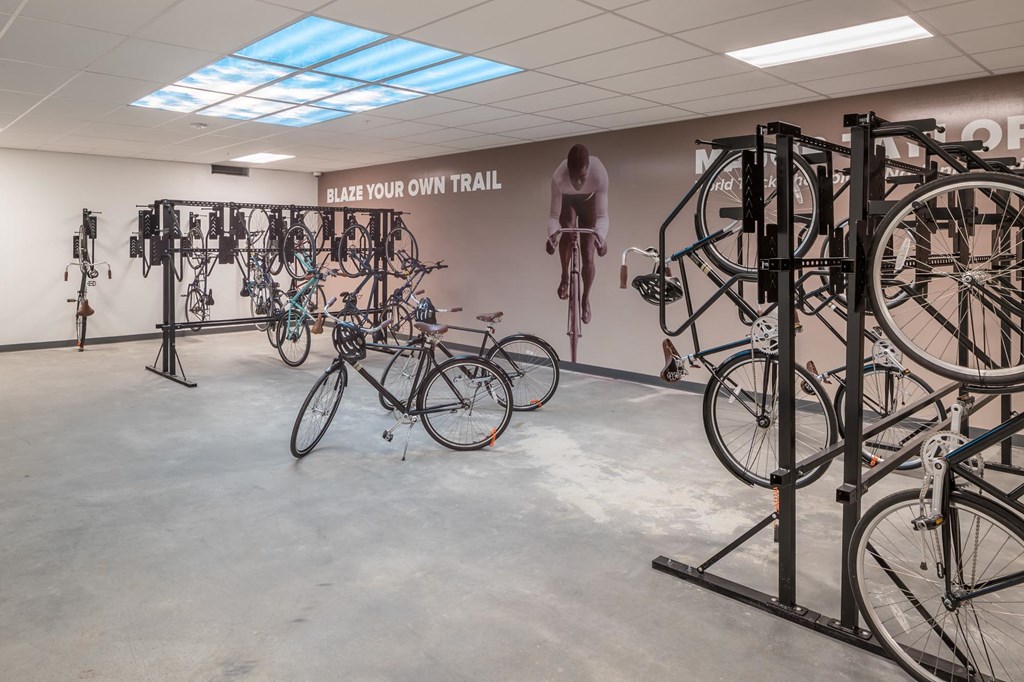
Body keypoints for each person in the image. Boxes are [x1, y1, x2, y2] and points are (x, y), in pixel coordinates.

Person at [545, 143, 609, 324]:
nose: (578, 183)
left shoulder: (599, 173)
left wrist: (601, 237)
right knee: (568, 234)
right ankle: (565, 276)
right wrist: (552, 236)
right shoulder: (559, 177)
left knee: (588, 253)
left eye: (582, 177)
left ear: (588, 169)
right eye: (574, 178)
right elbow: (554, 216)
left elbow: (603, 216)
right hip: (568, 202)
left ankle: (585, 299)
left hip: (590, 203)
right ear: (568, 171)